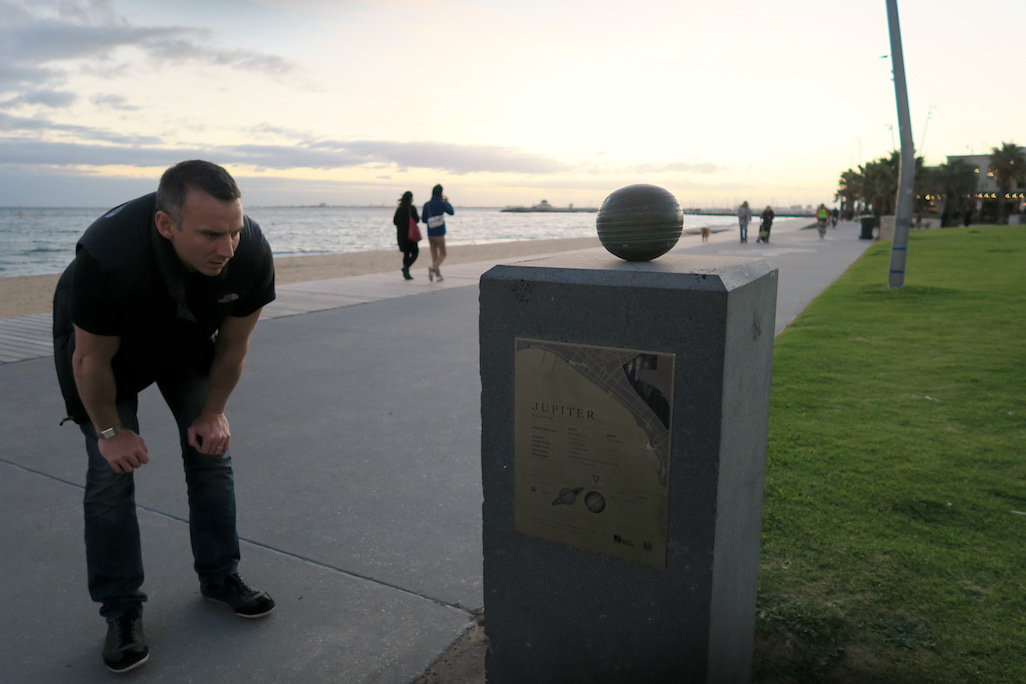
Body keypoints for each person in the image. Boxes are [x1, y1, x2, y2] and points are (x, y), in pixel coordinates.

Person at [52, 160, 277, 674]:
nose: (227, 248)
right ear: (166, 224)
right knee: (110, 475)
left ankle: (221, 576)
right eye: (211, 234)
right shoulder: (106, 258)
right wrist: (111, 432)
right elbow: (90, 361)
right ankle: (122, 611)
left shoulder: (249, 253)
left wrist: (214, 413)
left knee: (212, 453)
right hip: (108, 348)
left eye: (234, 232)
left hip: (185, 332)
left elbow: (235, 345)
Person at [422, 184, 454, 281]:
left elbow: (424, 220)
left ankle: (438, 275)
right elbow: (451, 212)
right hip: (439, 232)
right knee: (443, 253)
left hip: (430, 232)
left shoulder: (427, 204)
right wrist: (447, 202)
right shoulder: (441, 203)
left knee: (434, 255)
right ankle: (433, 268)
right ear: (441, 193)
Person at [393, 191, 420, 280]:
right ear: (410, 199)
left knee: (406, 253)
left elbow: (395, 221)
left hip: (401, 235)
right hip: (410, 234)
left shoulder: (399, 209)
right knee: (415, 252)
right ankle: (406, 267)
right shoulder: (411, 208)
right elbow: (416, 219)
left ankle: (406, 272)